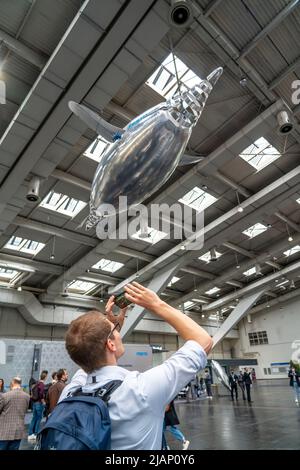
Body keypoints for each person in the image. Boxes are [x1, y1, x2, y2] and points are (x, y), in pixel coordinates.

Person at [60, 281, 213, 450]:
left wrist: (113, 331)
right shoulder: (140, 390)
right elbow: (203, 341)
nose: (118, 331)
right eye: (115, 330)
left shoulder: (69, 394)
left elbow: (88, 353)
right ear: (111, 344)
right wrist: (157, 304)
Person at [0, 377, 30, 450]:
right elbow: (25, 410)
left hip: (4, 431)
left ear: (13, 383)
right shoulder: (27, 396)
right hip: (18, 431)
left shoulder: (4, 396)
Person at [28, 370, 48, 441]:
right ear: (45, 377)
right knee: (39, 418)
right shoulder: (42, 385)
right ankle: (36, 433)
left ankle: (30, 434)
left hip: (34, 403)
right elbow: (41, 394)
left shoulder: (36, 383)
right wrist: (43, 402)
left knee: (34, 418)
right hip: (39, 403)